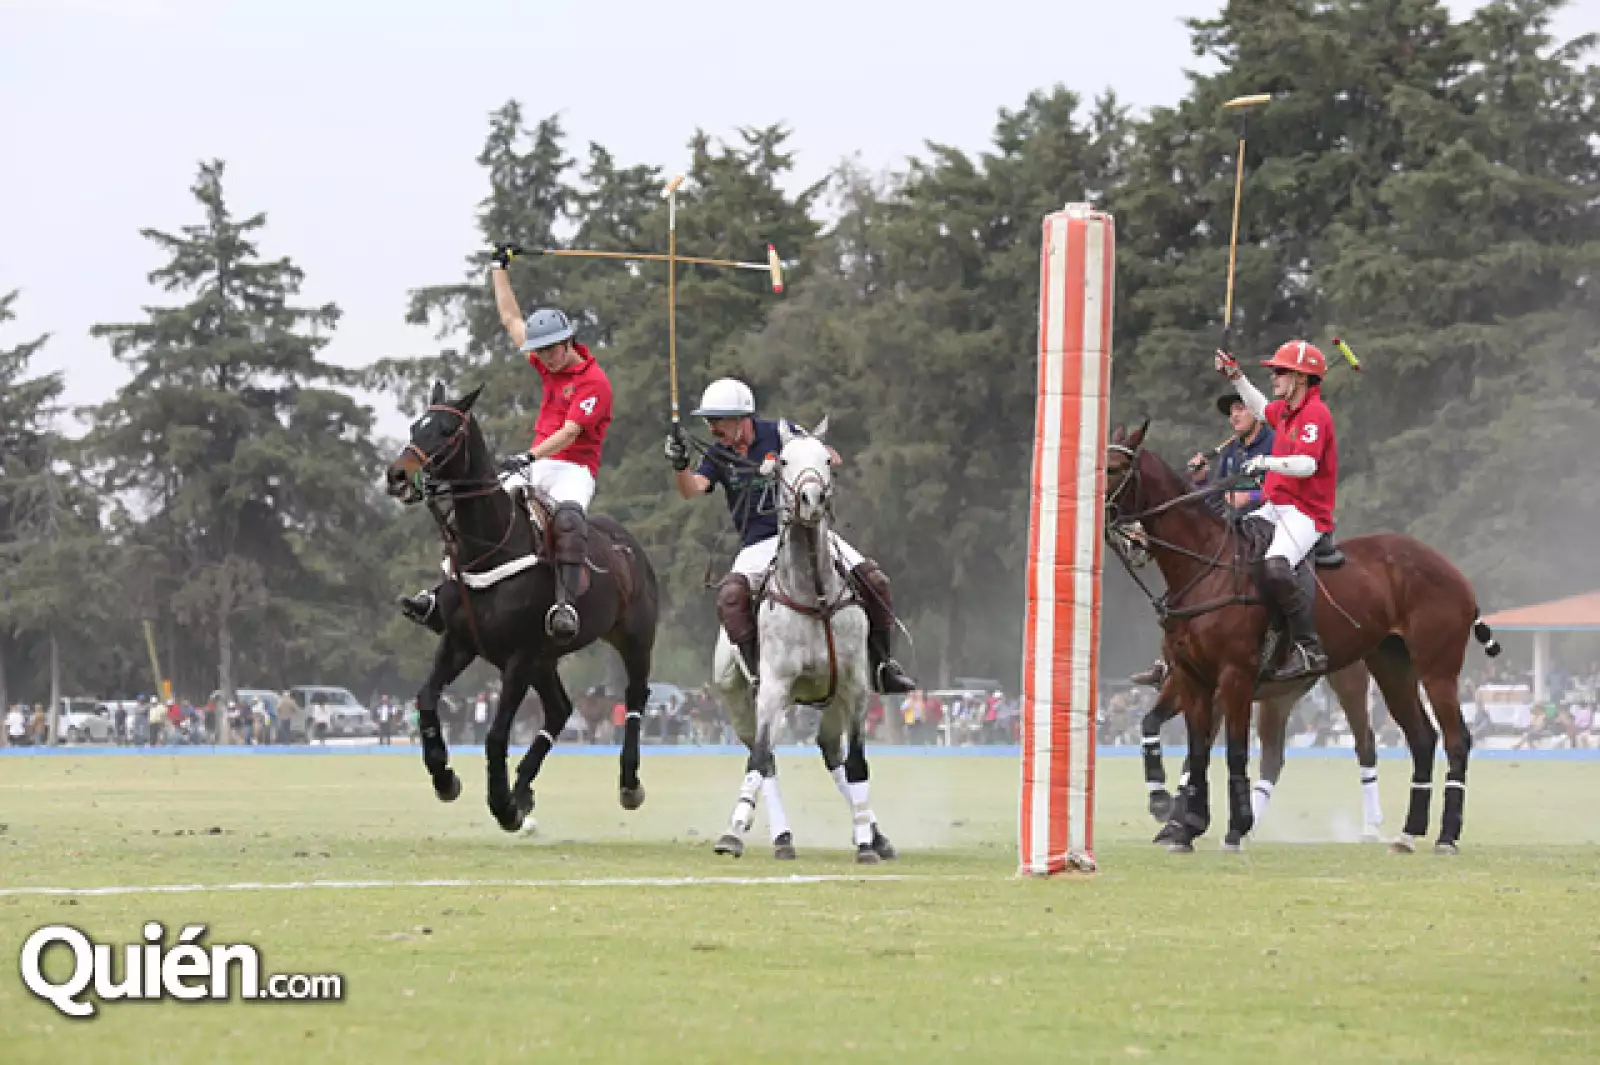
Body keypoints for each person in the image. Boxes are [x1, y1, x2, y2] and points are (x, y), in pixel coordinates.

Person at [399, 243, 614, 642]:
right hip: (537, 462)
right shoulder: (547, 362)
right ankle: (441, 595)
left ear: (568, 341)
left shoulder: (594, 382)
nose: (545, 358)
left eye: (551, 350)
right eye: (540, 351)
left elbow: (570, 432)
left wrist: (528, 456)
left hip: (574, 469)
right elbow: (511, 318)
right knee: (478, 507)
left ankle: (565, 606)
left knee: (568, 520)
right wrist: (499, 267)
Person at [664, 377, 915, 694]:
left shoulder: (781, 433)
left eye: (718, 420)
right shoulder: (717, 454)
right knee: (731, 598)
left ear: (742, 418)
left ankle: (883, 666)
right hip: (758, 544)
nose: (712, 428)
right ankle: (758, 674)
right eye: (708, 421)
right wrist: (680, 465)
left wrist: (783, 463)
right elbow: (692, 489)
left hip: (809, 532)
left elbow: (830, 458)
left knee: (875, 581)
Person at [1131, 392, 1276, 687]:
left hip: (1268, 522)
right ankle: (1170, 660)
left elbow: (1286, 486)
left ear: (1258, 413)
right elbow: (1213, 501)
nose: (1234, 416)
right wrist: (1200, 482)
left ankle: (1276, 638)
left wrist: (1252, 496)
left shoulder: (1274, 444)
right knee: (1187, 585)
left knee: (1266, 571)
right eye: (1231, 412)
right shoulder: (1232, 451)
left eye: (1240, 409)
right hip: (1231, 528)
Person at [1216, 339, 1339, 682]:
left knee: (1276, 565)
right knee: (1236, 544)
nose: (1274, 377)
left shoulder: (1316, 414)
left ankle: (1308, 648)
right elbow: (1260, 407)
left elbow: (1307, 465)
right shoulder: (1285, 411)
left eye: (1281, 371)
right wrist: (1236, 377)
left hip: (1307, 513)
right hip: (1276, 507)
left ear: (1301, 378)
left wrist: (1265, 461)